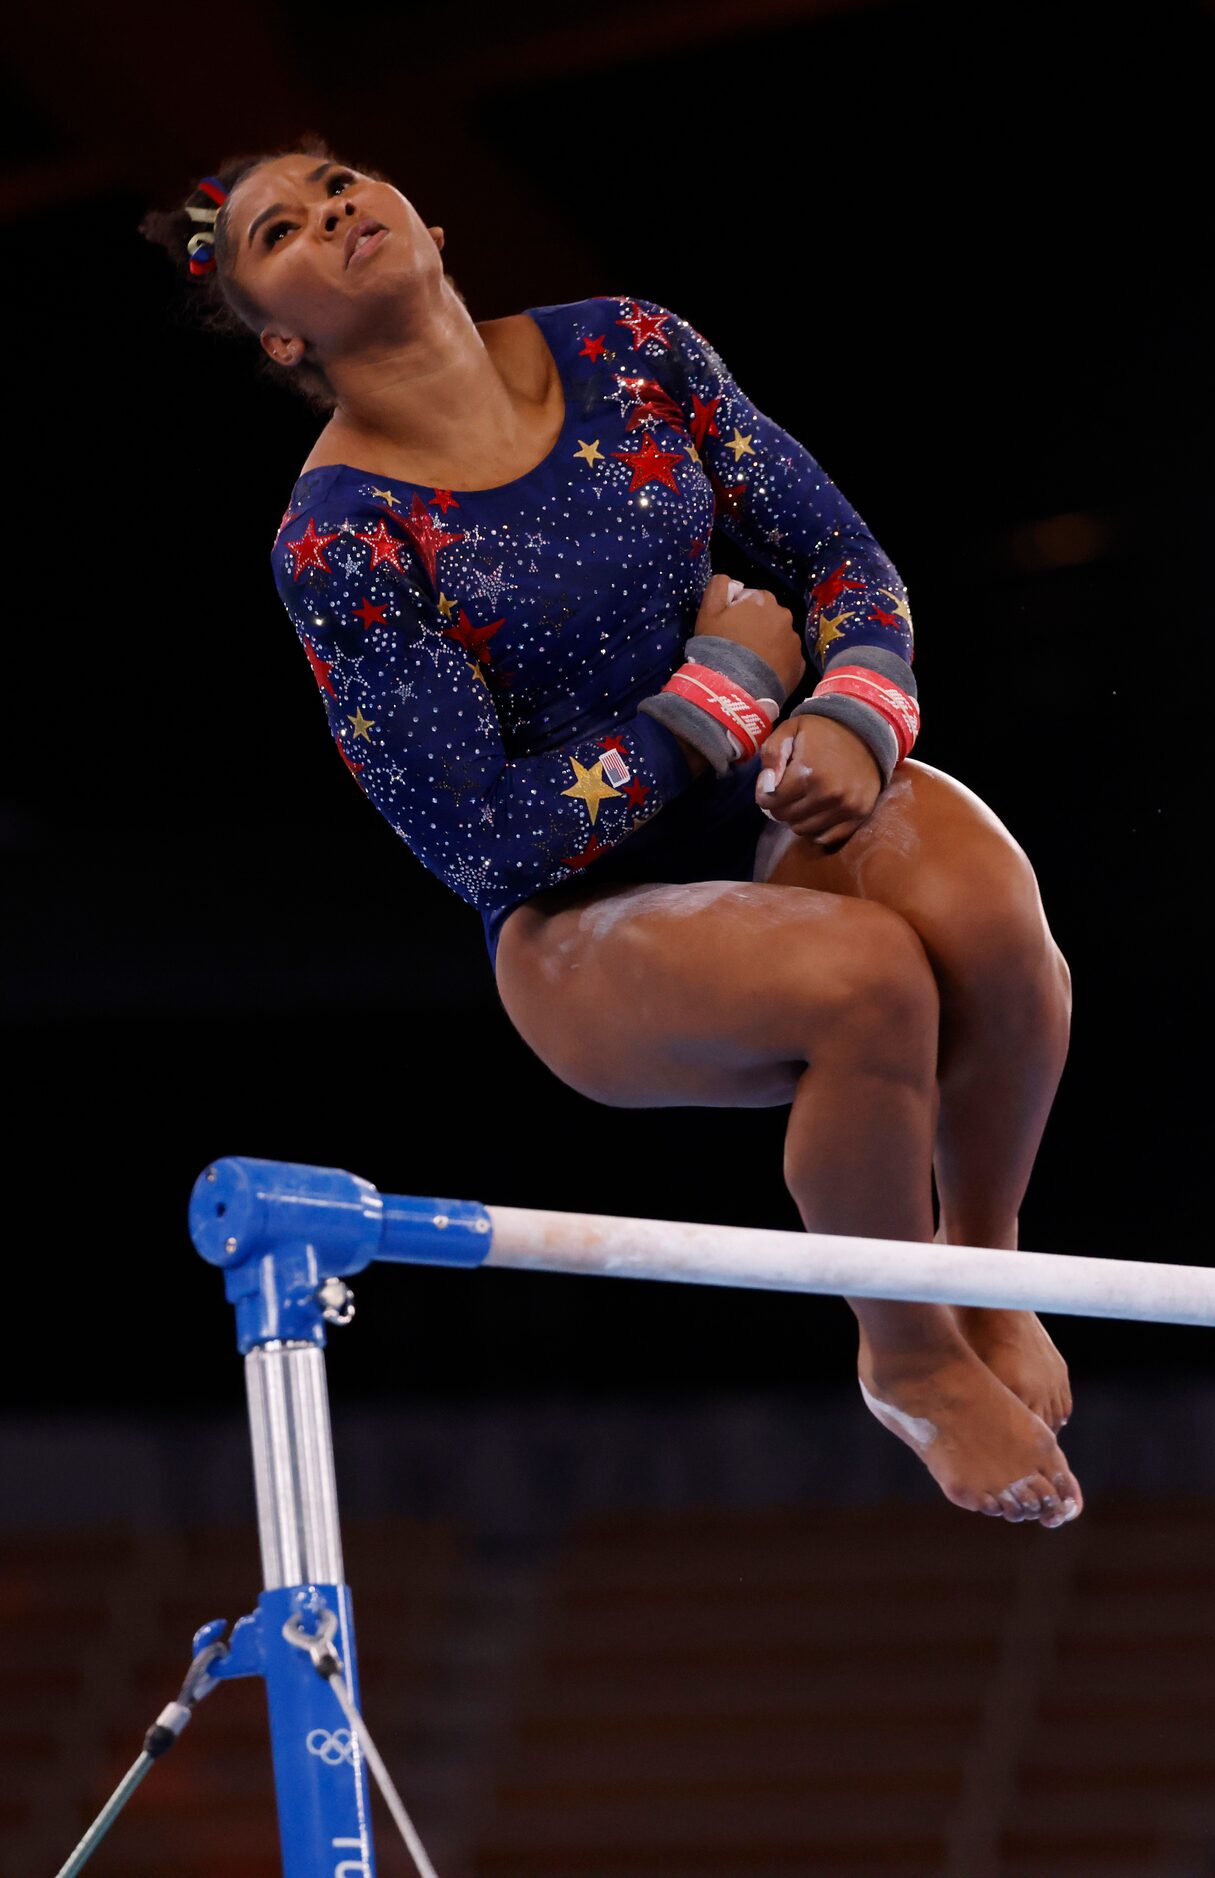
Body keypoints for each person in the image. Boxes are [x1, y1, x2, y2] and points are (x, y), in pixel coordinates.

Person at [143, 137, 1081, 1527]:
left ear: (434, 225)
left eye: (341, 182)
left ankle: (987, 1264)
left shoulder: (636, 349)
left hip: (771, 801)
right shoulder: (338, 539)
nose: (332, 208)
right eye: (284, 228)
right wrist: (724, 695)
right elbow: (482, 839)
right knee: (867, 977)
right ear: (283, 339)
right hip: (579, 922)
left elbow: (841, 566)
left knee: (996, 922)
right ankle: (908, 1352)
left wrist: (854, 713)